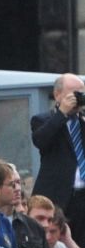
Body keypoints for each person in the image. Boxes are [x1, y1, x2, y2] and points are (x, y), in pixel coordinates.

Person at [30, 73, 85, 233]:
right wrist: (62, 114)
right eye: (74, 93)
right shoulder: (43, 119)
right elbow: (40, 141)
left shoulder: (82, 121)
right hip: (58, 196)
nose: (78, 98)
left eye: (81, 93)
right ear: (57, 95)